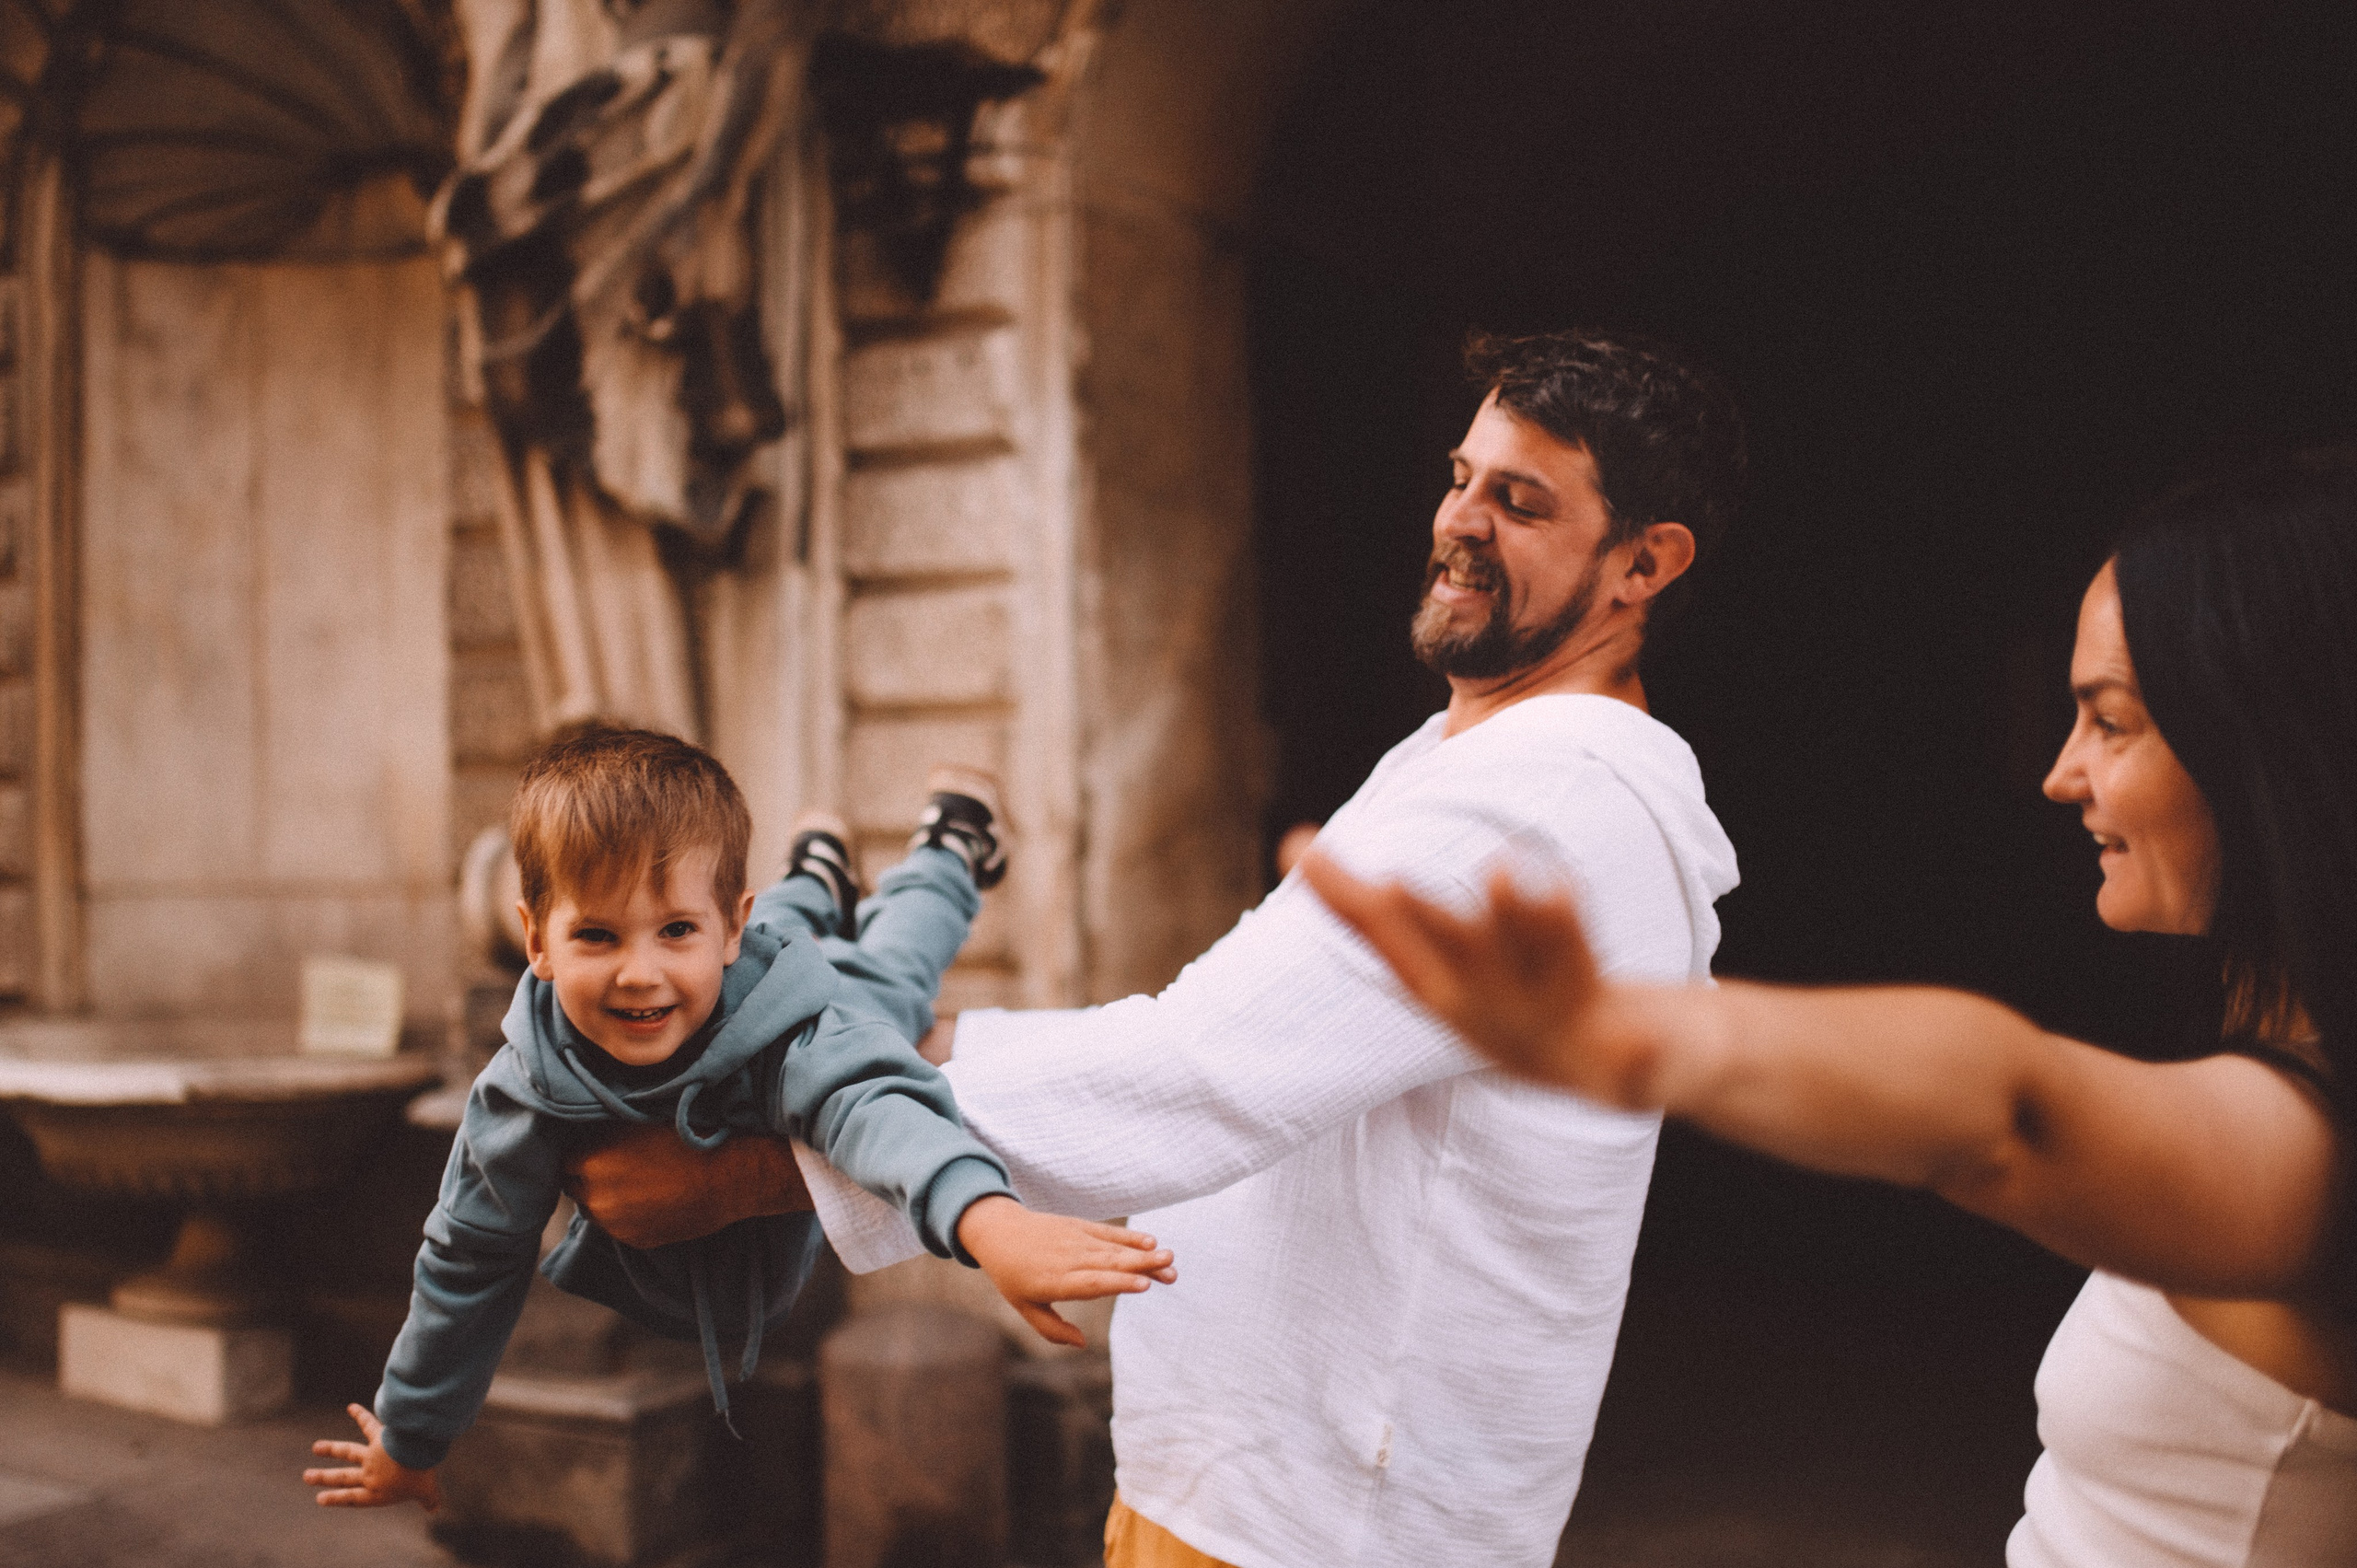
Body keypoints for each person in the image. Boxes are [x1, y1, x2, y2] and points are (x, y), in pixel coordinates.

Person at [563, 331, 1750, 1567]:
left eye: (1519, 499)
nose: (1458, 520)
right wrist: (882, 1058)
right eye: (1462, 474)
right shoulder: (1469, 759)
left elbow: (1196, 1072)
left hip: (1320, 1518)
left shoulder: (1542, 798)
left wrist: (759, 1159)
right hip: (1260, 1480)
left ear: (1644, 563)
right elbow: (1218, 1030)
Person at [1306, 447, 2357, 1566]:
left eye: (2111, 720)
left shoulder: (2306, 1152)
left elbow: (2003, 1109)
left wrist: (1642, 1035)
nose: (2061, 771)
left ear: (2263, 747)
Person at [302, 727, 1173, 1511]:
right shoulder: (525, 1085)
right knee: (762, 948)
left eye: (672, 929)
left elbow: (876, 1107)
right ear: (535, 941)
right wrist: (412, 1435)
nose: (638, 972)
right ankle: (817, 875)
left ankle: (949, 842)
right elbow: (468, 1258)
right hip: (739, 971)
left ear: (728, 928)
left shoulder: (798, 1029)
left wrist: (990, 1223)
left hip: (799, 992)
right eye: (597, 936)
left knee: (896, 971)